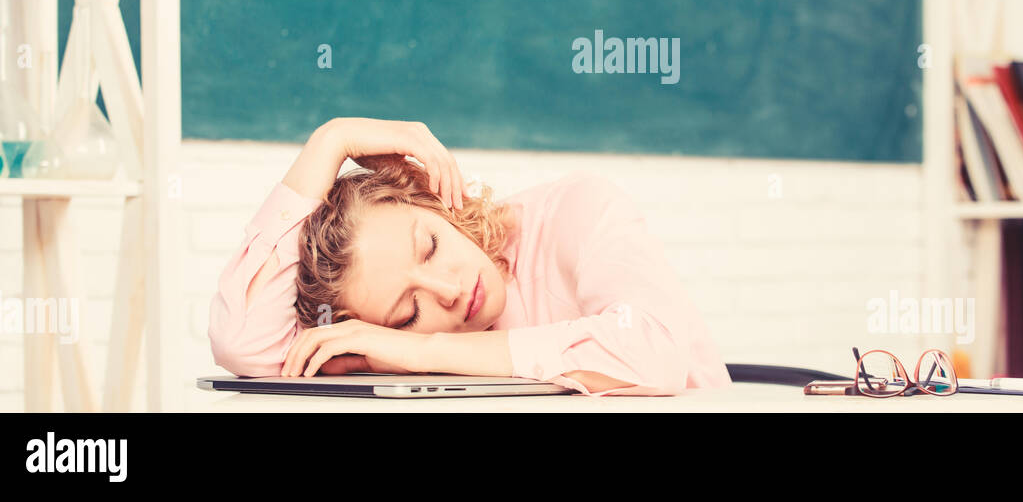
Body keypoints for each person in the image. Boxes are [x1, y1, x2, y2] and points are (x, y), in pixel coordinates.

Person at [207, 117, 732, 396]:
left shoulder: (577, 209)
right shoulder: (368, 343)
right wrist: (331, 140)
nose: (450, 290)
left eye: (430, 246)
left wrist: (421, 348)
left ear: (430, 200)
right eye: (406, 314)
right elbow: (243, 341)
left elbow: (654, 352)